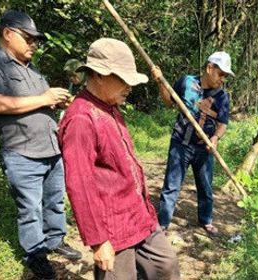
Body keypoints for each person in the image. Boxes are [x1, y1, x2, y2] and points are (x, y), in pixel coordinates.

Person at [58, 38, 180, 280]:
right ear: (99, 75)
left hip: (140, 216)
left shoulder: (109, 106)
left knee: (166, 266)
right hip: (112, 227)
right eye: (123, 79)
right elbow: (80, 185)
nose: (129, 87)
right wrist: (98, 240)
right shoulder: (81, 119)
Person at [0, 10, 81, 279]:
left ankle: (55, 240)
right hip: (21, 150)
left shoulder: (32, 70)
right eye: (29, 38)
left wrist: (56, 100)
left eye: (36, 40)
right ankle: (35, 253)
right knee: (30, 208)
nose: (34, 44)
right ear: (8, 34)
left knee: (55, 201)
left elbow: (39, 102)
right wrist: (45, 99)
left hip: (50, 148)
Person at [152, 51, 235, 236]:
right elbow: (168, 101)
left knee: (205, 187)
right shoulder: (186, 82)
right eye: (220, 74)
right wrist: (160, 82)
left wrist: (215, 138)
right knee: (171, 185)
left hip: (203, 148)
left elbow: (223, 124)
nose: (222, 79)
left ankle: (206, 220)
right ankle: (163, 224)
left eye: (225, 76)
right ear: (209, 68)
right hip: (180, 143)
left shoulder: (222, 97)